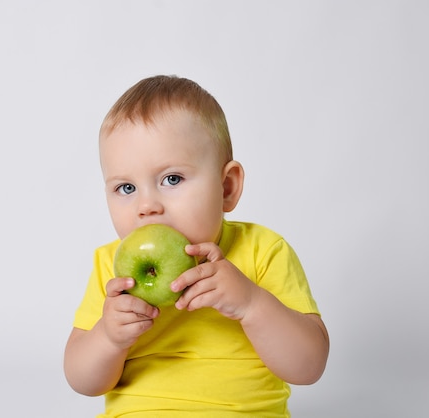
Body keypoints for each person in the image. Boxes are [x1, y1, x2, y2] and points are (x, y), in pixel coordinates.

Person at [64, 75, 329, 417]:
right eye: (126, 188)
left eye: (171, 179)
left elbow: (309, 367)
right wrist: (109, 337)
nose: (147, 206)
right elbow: (81, 380)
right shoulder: (112, 268)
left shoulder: (264, 250)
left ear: (227, 187)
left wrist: (251, 304)